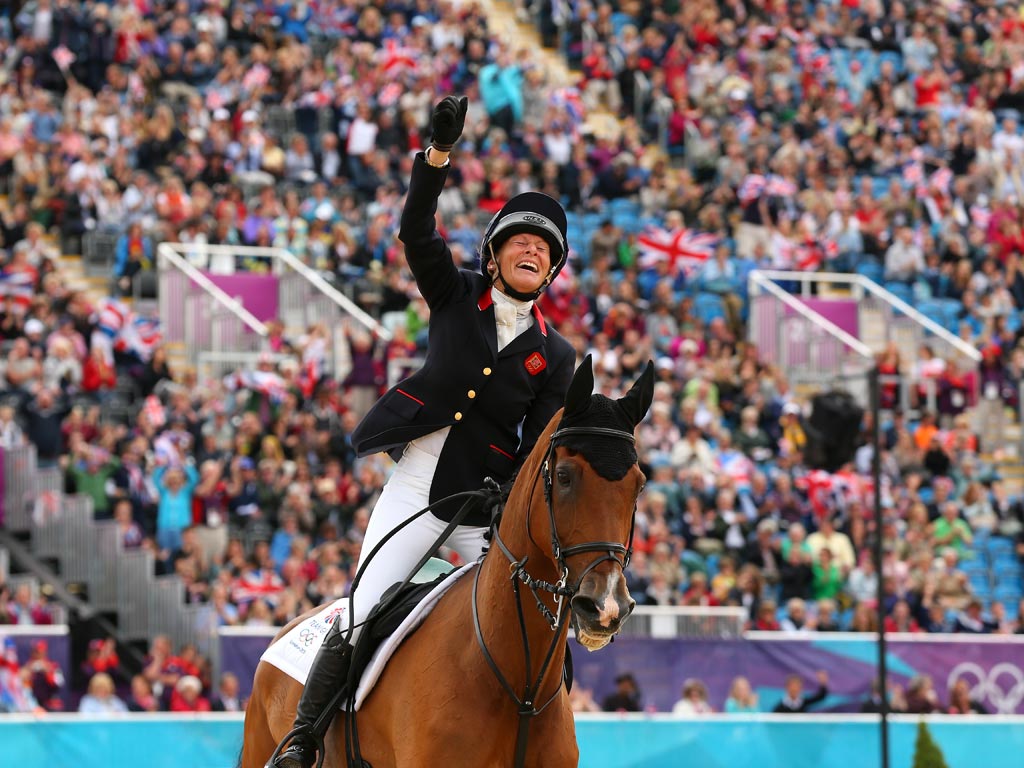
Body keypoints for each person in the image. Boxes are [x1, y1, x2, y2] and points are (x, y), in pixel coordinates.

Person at [273, 95, 576, 768]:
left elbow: (535, 446)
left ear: (552, 272)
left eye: (544, 249)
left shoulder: (557, 357)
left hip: (486, 511)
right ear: (493, 257)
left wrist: (509, 512)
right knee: (360, 609)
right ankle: (301, 740)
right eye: (519, 240)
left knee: (532, 622)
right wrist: (437, 158)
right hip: (418, 489)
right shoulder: (455, 294)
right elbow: (415, 231)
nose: (532, 249)